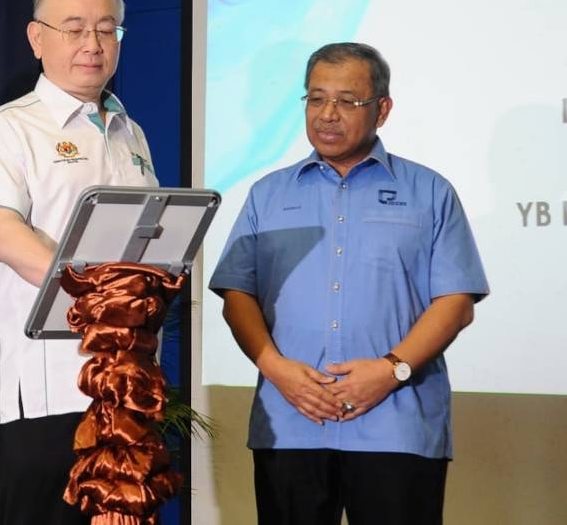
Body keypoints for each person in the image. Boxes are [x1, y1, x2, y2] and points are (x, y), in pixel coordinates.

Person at [209, 42, 488, 525]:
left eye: (346, 101)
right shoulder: (267, 194)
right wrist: (276, 369)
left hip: (396, 425)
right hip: (289, 423)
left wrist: (391, 370)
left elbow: (456, 302)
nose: (327, 115)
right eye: (315, 99)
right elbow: (238, 295)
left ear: (382, 109)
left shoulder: (430, 192)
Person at [0, 0, 157, 524]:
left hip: (123, 386)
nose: (93, 44)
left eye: (106, 28)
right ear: (36, 37)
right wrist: (94, 296)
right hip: (46, 389)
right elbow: (4, 237)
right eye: (75, 29)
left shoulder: (130, 132)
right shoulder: (7, 126)